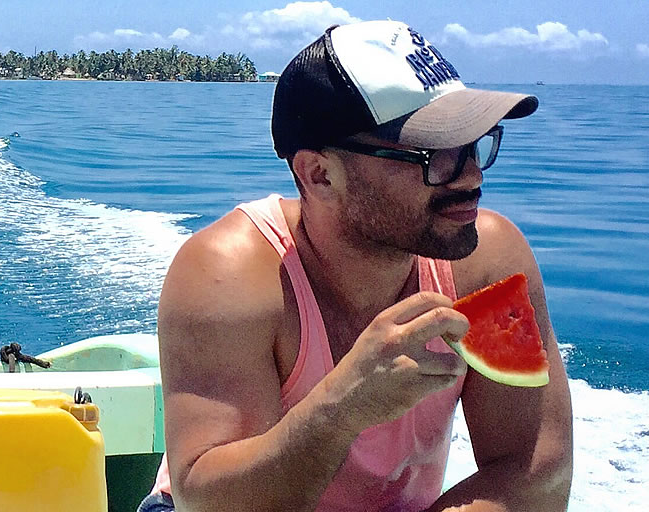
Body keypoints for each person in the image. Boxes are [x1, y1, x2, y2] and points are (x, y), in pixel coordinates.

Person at [147, 20, 573, 511]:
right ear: (320, 174)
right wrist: (341, 410)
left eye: (475, 144)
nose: (472, 176)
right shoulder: (228, 274)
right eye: (433, 155)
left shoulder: (488, 261)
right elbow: (208, 504)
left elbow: (538, 468)